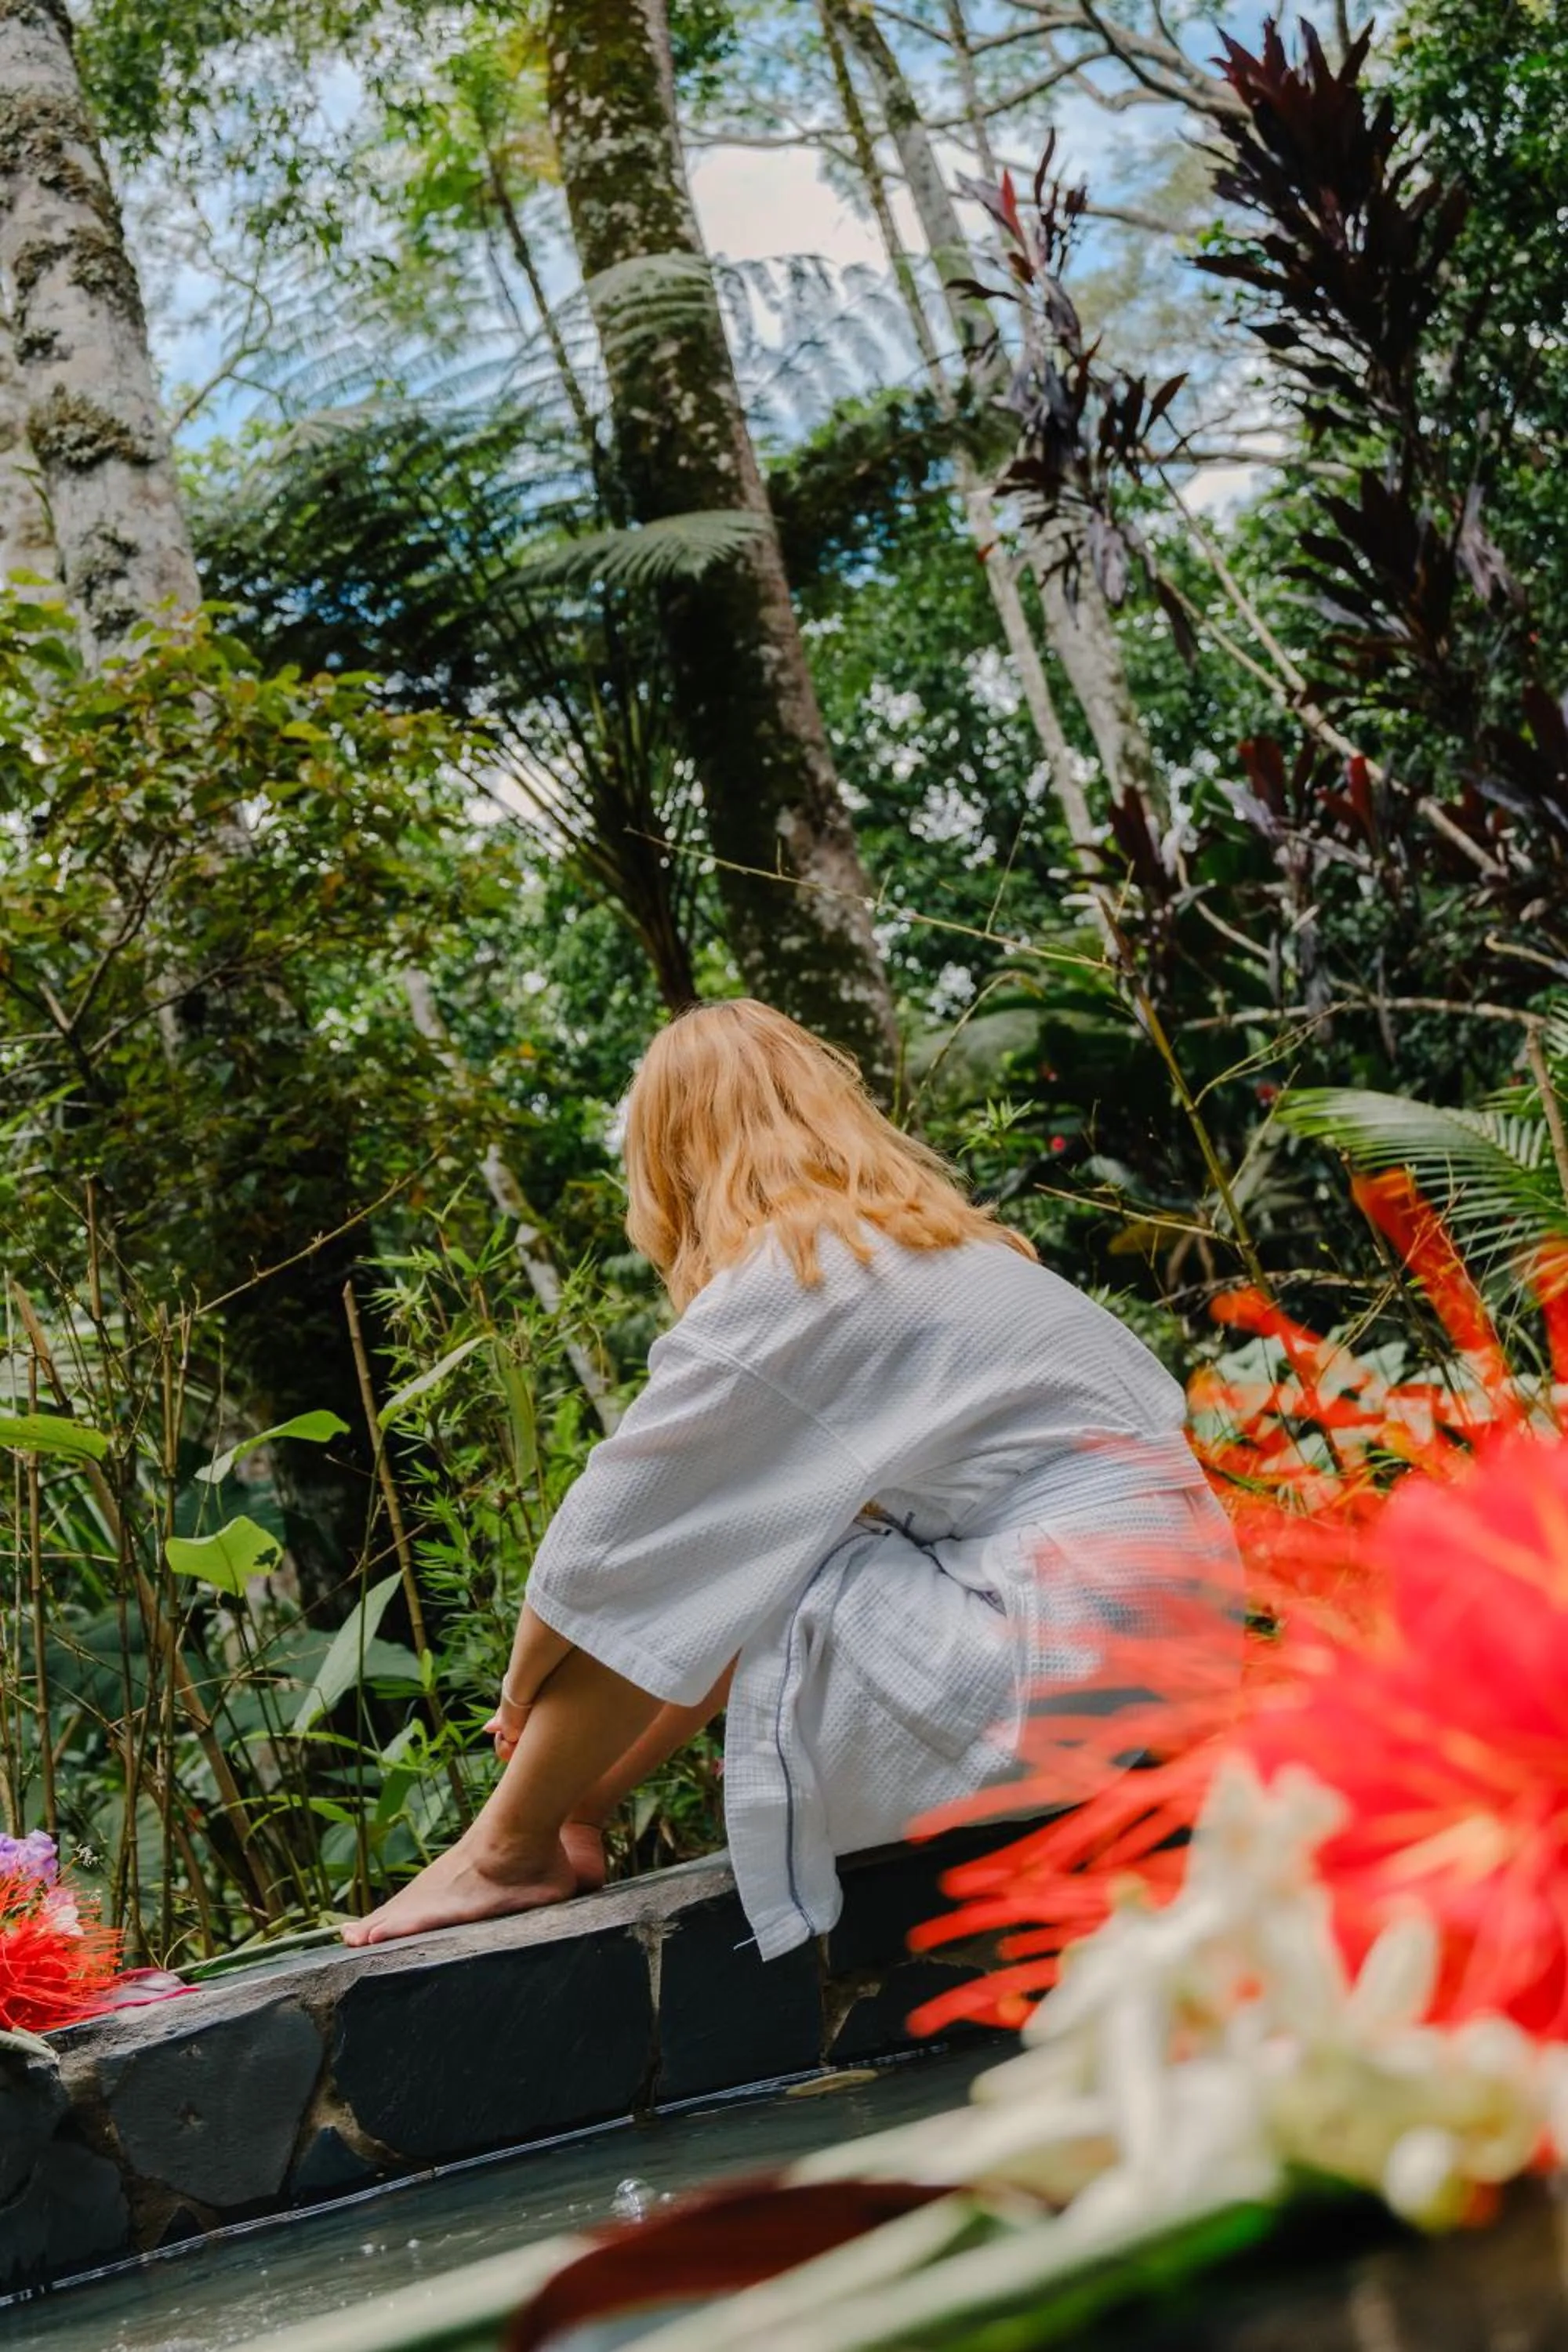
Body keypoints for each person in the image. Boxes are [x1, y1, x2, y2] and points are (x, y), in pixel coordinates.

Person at [343, 1000, 1238, 1955]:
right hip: (1175, 1645)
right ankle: (569, 1819)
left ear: (672, 1157)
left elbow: (602, 1550)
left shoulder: (798, 1276)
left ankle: (510, 1847)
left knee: (740, 1548)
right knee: (778, 1534)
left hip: (1071, 1657)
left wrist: (519, 1698)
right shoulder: (948, 1248)